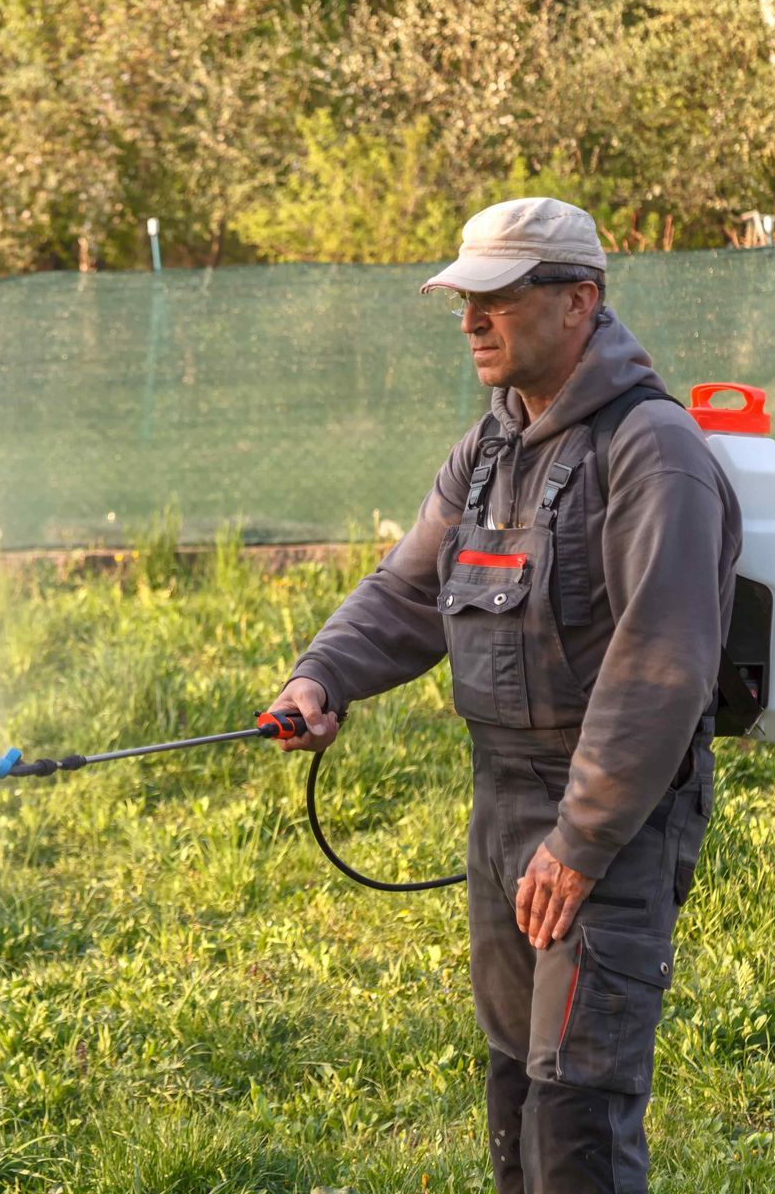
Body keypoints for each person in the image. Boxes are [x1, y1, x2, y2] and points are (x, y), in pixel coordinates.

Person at [268, 197, 740, 1193]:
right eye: (464, 300)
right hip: (500, 810)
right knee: (517, 1093)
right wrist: (323, 674)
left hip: (606, 818)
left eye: (496, 296)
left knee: (579, 1108)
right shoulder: (486, 451)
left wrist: (580, 838)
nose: (473, 320)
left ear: (580, 301)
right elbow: (406, 591)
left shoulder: (652, 453)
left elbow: (661, 663)